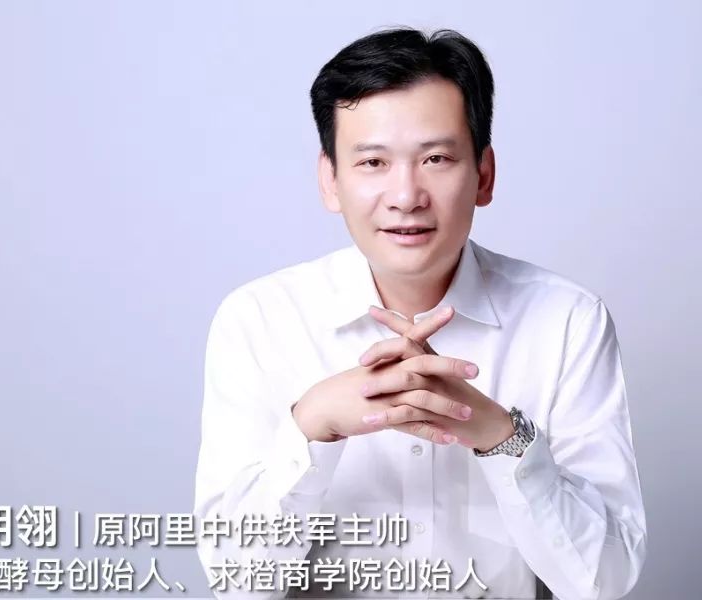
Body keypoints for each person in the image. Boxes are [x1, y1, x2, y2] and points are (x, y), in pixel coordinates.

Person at [193, 27, 647, 599]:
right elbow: (238, 583)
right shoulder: (258, 320)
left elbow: (603, 580)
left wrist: (500, 436)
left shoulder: (566, 321)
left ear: (483, 175)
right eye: (373, 161)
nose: (406, 196)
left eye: (436, 158)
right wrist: (312, 427)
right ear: (330, 180)